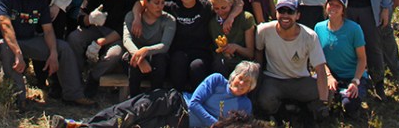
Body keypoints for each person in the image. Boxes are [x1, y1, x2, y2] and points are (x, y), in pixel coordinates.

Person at [0, 0, 94, 109]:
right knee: (7, 49)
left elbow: (47, 30)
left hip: (29, 40)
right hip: (7, 42)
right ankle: (18, 98)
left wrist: (53, 53)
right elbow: (5, 26)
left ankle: (73, 95)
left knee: (63, 48)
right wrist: (18, 53)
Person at [48, 61, 261, 128]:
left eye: (247, 82)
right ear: (233, 75)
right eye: (239, 77)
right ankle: (81, 125)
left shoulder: (245, 106)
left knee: (134, 124)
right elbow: (195, 102)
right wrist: (215, 124)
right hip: (176, 102)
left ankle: (82, 126)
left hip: (181, 123)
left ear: (251, 87)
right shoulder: (216, 80)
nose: (240, 83)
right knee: (131, 110)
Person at [67, 0, 140, 96]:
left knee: (114, 55)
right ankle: (75, 79)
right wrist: (90, 19)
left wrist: (101, 42)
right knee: (73, 38)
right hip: (94, 28)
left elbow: (123, 29)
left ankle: (93, 78)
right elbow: (80, 17)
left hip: (115, 34)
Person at [254, 0, 330, 121]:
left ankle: (302, 108)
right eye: (281, 11)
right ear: (276, 12)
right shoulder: (263, 31)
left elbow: (320, 70)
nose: (285, 15)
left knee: (327, 90)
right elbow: (258, 56)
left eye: (290, 11)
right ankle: (283, 109)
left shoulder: (310, 36)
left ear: (298, 15)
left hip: (300, 80)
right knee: (264, 101)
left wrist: (323, 102)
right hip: (274, 79)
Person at [314, 0, 368, 118]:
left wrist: (355, 81)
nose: (333, 8)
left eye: (337, 6)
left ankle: (346, 98)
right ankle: (333, 98)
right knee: (314, 99)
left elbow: (362, 59)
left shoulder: (354, 29)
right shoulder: (318, 28)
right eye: (330, 4)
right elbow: (318, 58)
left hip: (352, 76)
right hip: (330, 75)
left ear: (343, 10)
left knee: (349, 105)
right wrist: (328, 76)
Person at [123, 0, 176, 95]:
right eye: (156, 3)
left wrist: (146, 50)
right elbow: (126, 40)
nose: (160, 7)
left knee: (160, 58)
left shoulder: (169, 20)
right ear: (146, 2)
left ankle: (156, 98)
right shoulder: (131, 17)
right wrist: (140, 58)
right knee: (132, 59)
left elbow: (165, 45)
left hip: (156, 60)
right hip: (136, 59)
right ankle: (133, 98)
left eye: (162, 3)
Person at [208, 0, 256, 77]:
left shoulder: (246, 18)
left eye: (224, 8)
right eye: (216, 8)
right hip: (222, 64)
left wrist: (236, 47)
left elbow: (250, 53)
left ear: (231, 3)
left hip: (242, 64)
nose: (220, 12)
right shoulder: (212, 23)